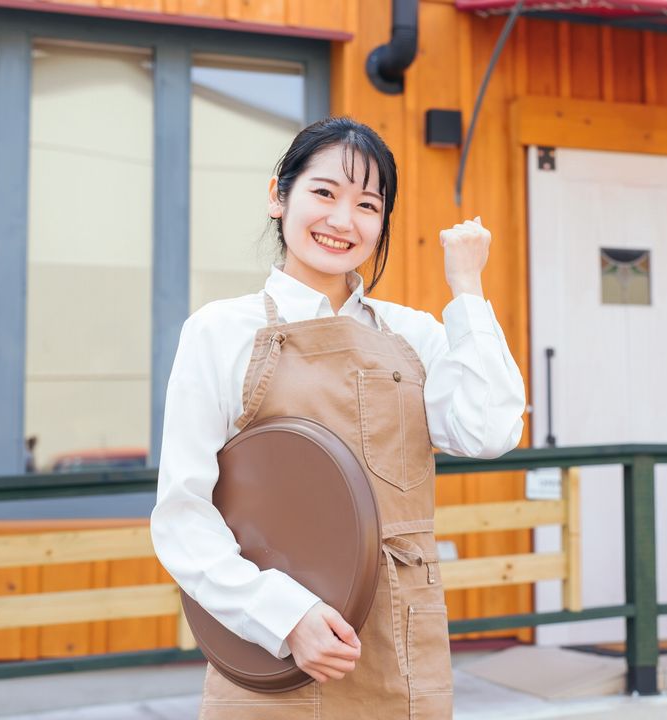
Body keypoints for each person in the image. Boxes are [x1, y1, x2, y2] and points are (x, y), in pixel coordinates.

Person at [150, 117, 525, 719]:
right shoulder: (221, 331)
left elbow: (489, 431)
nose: (343, 220)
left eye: (367, 204)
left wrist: (468, 291)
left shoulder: (414, 333)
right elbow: (182, 513)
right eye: (324, 193)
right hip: (270, 645)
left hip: (398, 646)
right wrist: (284, 616)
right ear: (279, 196)